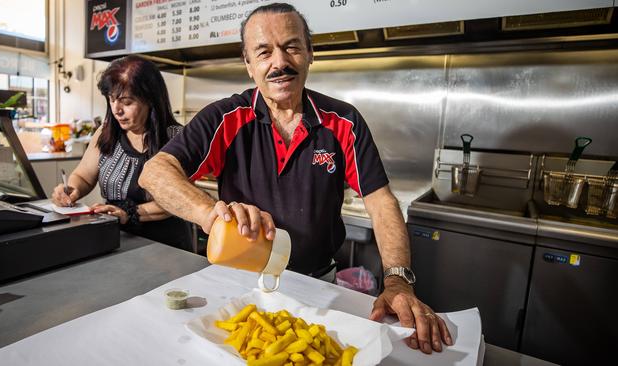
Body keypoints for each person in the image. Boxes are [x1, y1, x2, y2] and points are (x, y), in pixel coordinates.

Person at [139, 3, 452, 354]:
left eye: (291, 46)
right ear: (248, 64)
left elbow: (380, 202)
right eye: (264, 52)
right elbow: (155, 172)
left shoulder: (343, 121)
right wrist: (211, 214)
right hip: (235, 285)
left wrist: (397, 280)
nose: (279, 63)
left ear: (309, 54)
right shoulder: (227, 116)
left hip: (317, 284)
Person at [52, 55, 191, 250]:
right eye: (111, 99)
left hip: (165, 245)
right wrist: (72, 189)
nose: (117, 110)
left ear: (149, 100)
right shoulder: (107, 132)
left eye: (126, 102)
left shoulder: (177, 138)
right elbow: (84, 175)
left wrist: (129, 212)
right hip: (115, 239)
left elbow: (177, 200)